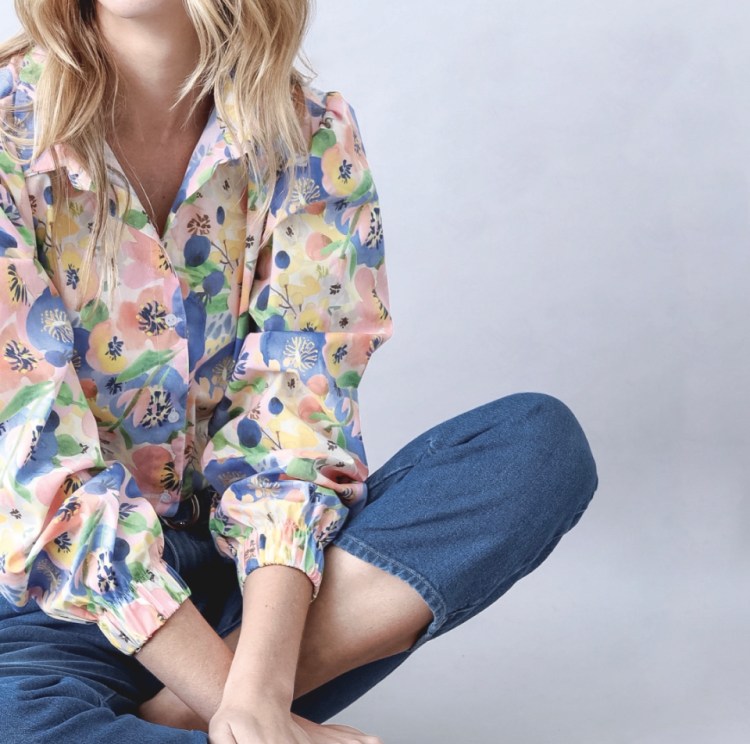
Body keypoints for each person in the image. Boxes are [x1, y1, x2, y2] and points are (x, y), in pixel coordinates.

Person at [0, 2, 600, 742]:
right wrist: (248, 712)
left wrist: (252, 694)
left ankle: (186, 721)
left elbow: (291, 434)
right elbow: (31, 469)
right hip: (47, 607)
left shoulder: (310, 137)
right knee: (19, 719)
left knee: (536, 448)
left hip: (251, 594)